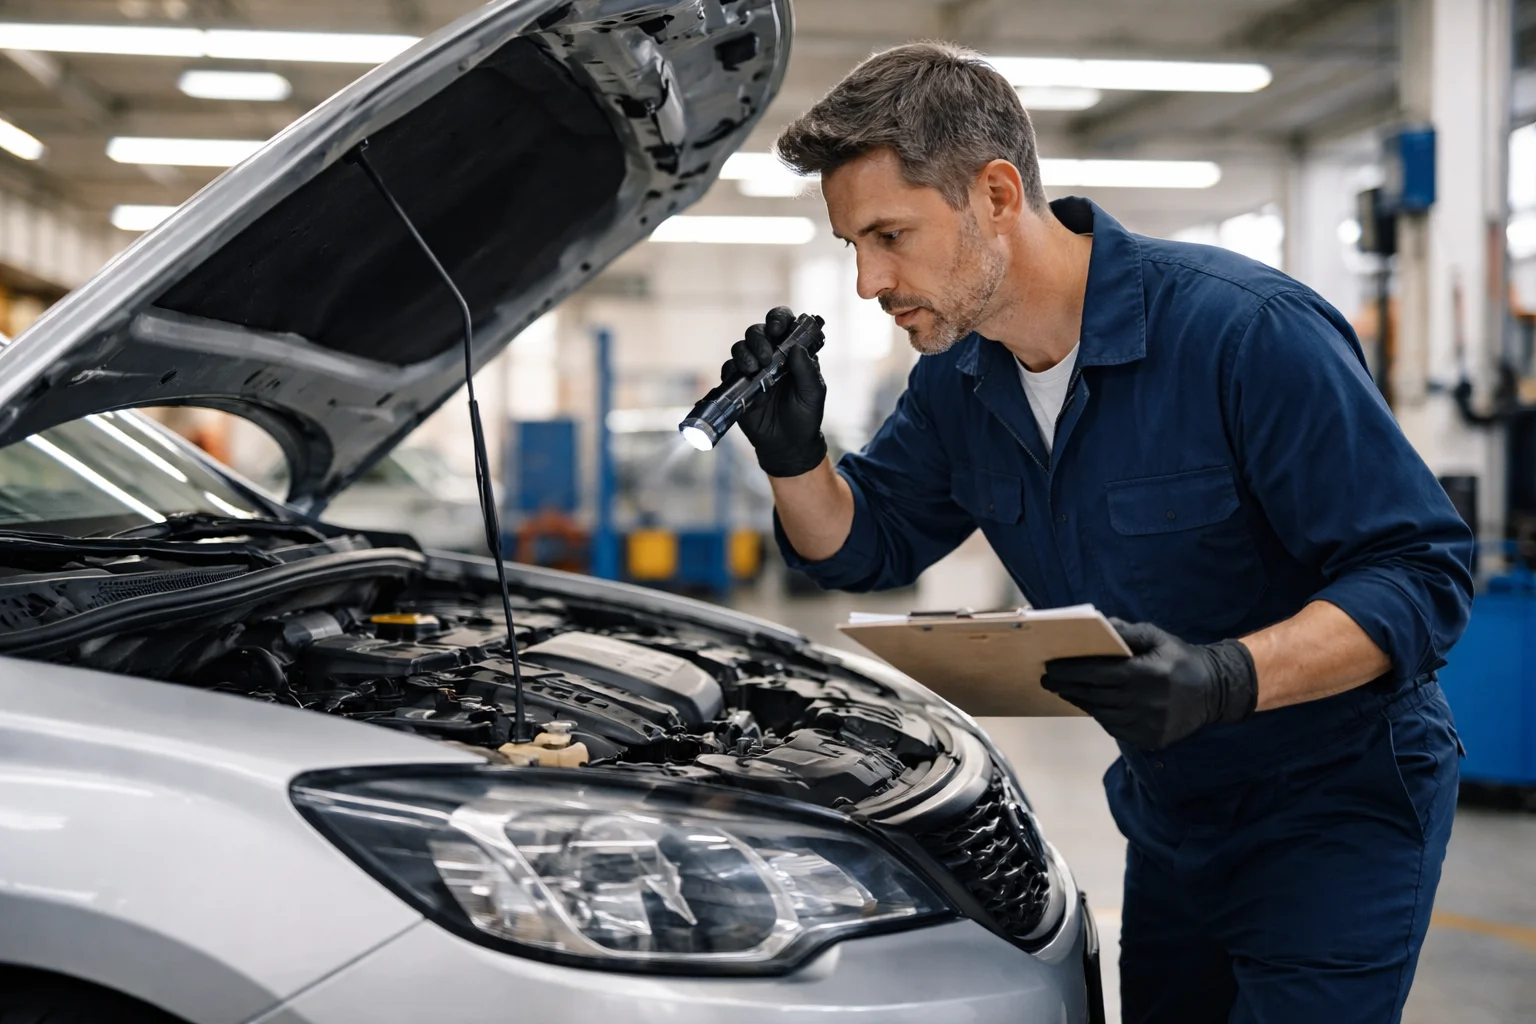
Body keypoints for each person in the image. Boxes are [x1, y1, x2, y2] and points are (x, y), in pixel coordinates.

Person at [723, 42, 1473, 1024]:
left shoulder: (1246, 333)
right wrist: (793, 457)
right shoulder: (959, 381)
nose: (868, 280)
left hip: (1335, 808)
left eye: (890, 235)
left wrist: (1226, 677)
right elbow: (867, 546)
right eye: (852, 245)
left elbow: (1419, 574)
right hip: (1171, 811)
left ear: (997, 194)